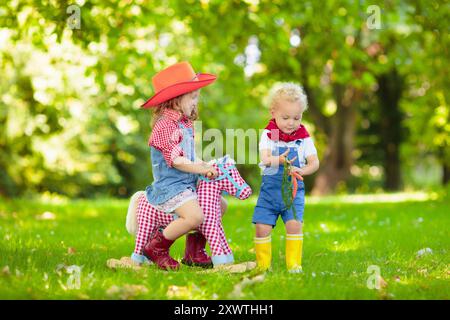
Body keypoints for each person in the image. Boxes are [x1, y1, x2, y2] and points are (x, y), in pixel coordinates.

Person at [140, 61, 220, 270]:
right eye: (193, 97)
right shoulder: (165, 125)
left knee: (219, 205)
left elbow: (188, 156)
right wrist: (201, 169)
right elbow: (176, 160)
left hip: (186, 183)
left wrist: (204, 164)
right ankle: (157, 248)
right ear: (176, 100)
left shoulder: (184, 123)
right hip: (171, 186)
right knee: (195, 216)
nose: (197, 101)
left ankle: (193, 252)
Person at [253, 82, 319, 273]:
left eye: (296, 117)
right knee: (262, 228)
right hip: (269, 194)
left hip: (293, 193)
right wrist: (280, 160)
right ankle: (263, 266)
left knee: (294, 226)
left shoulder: (303, 138)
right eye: (285, 117)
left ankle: (294, 266)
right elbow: (265, 158)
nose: (291, 122)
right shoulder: (269, 134)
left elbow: (314, 162)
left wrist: (302, 170)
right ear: (273, 112)